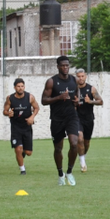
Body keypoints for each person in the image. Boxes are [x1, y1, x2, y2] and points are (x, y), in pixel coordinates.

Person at [42, 55, 83, 186]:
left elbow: (77, 93)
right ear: (58, 66)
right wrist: (59, 97)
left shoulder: (74, 80)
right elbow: (44, 100)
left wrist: (77, 100)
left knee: (74, 143)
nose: (65, 67)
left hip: (72, 117)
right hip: (57, 119)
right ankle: (60, 174)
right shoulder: (51, 82)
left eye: (67, 65)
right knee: (58, 148)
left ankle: (70, 171)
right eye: (63, 65)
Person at [2, 78, 40, 175]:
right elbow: (5, 111)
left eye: (22, 86)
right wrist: (8, 113)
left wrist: (32, 117)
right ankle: (22, 169)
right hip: (16, 128)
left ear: (24, 87)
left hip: (27, 127)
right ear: (15, 88)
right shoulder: (10, 98)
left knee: (28, 153)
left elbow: (36, 108)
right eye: (18, 86)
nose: (20, 88)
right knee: (18, 149)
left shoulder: (30, 97)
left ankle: (23, 152)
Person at [75, 69, 103, 172]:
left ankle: (82, 156)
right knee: (80, 138)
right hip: (76, 118)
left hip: (88, 119)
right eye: (78, 76)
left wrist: (90, 101)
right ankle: (83, 164)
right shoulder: (73, 89)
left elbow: (100, 101)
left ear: (85, 76)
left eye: (82, 76)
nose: (80, 78)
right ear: (76, 77)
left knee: (86, 143)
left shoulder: (91, 89)